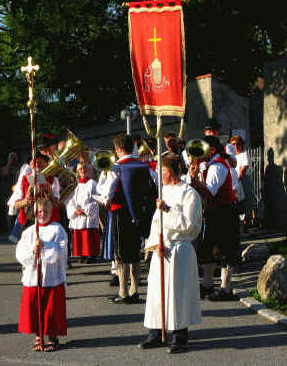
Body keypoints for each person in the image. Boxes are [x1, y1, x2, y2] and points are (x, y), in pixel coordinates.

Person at [139, 154, 202, 353]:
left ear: (172, 172)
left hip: (179, 249)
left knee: (178, 293)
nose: (159, 174)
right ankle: (156, 332)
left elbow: (191, 226)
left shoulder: (190, 194)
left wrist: (167, 210)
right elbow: (156, 222)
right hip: (162, 249)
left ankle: (179, 335)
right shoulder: (163, 191)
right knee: (156, 291)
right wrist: (154, 244)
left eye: (162, 171)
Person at [98, 133, 157, 304]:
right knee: (135, 253)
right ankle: (135, 290)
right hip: (138, 214)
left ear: (118, 149)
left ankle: (123, 291)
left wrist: (101, 199)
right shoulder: (144, 166)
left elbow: (108, 194)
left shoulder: (116, 167)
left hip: (120, 213)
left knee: (120, 255)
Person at [189, 135, 240, 301]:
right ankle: (207, 285)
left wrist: (194, 181)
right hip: (216, 211)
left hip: (224, 212)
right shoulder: (211, 165)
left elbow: (210, 192)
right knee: (206, 248)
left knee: (225, 250)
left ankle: (225, 289)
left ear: (211, 150)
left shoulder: (217, 167)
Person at [16, 197, 68, 351]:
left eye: (46, 211)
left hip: (51, 276)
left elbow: (60, 251)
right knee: (35, 307)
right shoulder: (29, 231)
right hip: (34, 276)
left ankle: (52, 336)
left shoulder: (58, 229)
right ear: (35, 213)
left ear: (51, 212)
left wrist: (46, 246)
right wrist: (33, 251)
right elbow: (20, 252)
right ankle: (38, 335)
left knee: (51, 307)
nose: (42, 214)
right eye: (39, 212)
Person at [66, 163, 100, 263]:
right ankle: (81, 254)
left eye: (84, 168)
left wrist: (85, 210)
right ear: (77, 171)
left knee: (89, 234)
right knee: (79, 235)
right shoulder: (74, 185)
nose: (82, 170)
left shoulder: (93, 183)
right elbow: (70, 199)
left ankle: (91, 255)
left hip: (87, 214)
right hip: (77, 214)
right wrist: (74, 210)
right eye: (80, 168)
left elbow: (96, 200)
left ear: (88, 170)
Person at [230, 135, 254, 226]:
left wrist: (236, 179)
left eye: (238, 144)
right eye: (233, 144)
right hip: (235, 181)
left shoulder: (244, 154)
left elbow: (243, 169)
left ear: (241, 145)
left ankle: (247, 223)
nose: (236, 146)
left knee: (246, 202)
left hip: (243, 180)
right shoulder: (231, 156)